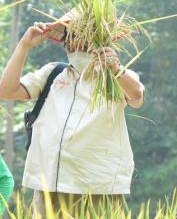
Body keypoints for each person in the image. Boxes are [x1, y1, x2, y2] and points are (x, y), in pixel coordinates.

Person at [0, 20, 144, 216]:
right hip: (49, 185)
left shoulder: (114, 78)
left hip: (97, 188)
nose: (74, 44)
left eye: (83, 38)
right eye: (71, 36)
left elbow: (136, 97)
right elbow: (6, 90)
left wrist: (115, 67)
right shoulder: (53, 73)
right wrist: (24, 45)